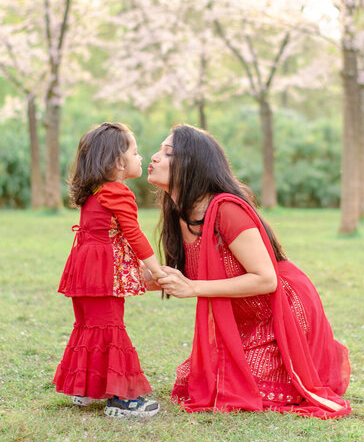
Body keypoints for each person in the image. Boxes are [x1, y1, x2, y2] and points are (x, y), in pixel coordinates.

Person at [146, 124, 351, 419]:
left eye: (167, 152)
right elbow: (183, 277)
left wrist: (193, 288)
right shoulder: (177, 212)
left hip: (282, 312)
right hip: (244, 318)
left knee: (238, 389)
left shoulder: (226, 210)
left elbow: (266, 279)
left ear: (193, 163)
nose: (154, 157)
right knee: (195, 382)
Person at [53, 122, 166, 418]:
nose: (141, 158)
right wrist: (158, 270)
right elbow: (133, 234)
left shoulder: (95, 190)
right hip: (103, 272)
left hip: (84, 268)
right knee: (110, 326)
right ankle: (122, 400)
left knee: (91, 324)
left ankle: (86, 388)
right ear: (118, 162)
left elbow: (108, 233)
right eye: (136, 152)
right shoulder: (118, 192)